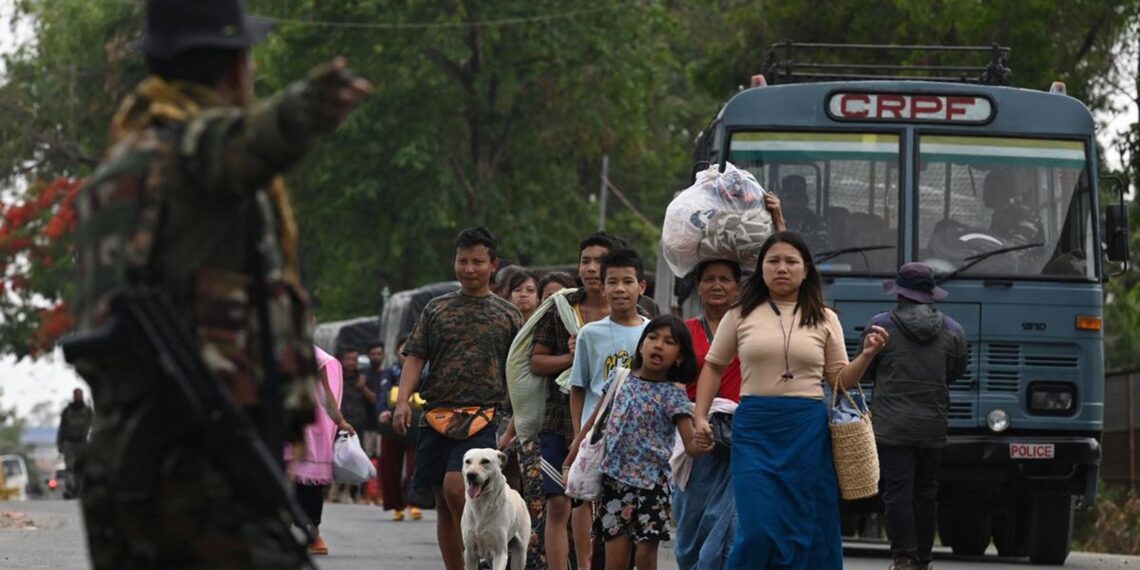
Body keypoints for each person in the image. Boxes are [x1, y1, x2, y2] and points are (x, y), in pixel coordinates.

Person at [67, 0, 371, 567]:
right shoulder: (186, 152)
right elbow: (236, 143)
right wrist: (306, 106)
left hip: (128, 450)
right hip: (194, 457)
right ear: (235, 68)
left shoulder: (116, 170)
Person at [692, 231, 889, 569]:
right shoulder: (739, 314)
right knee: (758, 529)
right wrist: (700, 417)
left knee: (806, 527)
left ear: (806, 269)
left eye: (790, 261)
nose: (781, 268)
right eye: (773, 261)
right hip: (754, 430)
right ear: (761, 269)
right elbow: (712, 366)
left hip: (807, 432)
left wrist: (868, 355)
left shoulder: (827, 318)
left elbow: (840, 380)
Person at [393, 226, 523, 570]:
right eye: (462, 261)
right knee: (441, 497)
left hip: (482, 417)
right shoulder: (436, 309)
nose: (469, 269)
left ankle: (488, 553)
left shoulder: (508, 314)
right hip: (436, 415)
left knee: (456, 488)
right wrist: (403, 401)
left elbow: (521, 368)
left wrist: (521, 413)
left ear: (493, 265)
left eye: (477, 262)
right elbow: (415, 357)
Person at [565, 315, 711, 570]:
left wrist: (704, 441)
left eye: (669, 342)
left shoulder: (674, 395)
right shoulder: (619, 380)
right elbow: (595, 422)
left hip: (652, 486)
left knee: (645, 557)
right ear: (641, 345)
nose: (658, 345)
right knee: (616, 560)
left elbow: (690, 445)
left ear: (679, 357)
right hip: (615, 481)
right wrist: (572, 457)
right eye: (653, 338)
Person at [523, 232, 627, 570]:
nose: (592, 268)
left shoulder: (637, 313)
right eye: (586, 260)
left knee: (608, 505)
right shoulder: (561, 308)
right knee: (559, 503)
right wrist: (574, 358)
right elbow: (537, 362)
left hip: (617, 426)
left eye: (600, 261)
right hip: (560, 420)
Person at [863, 263, 967, 570]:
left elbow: (867, 371)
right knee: (926, 491)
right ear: (930, 294)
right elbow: (955, 373)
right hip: (932, 426)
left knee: (897, 492)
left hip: (891, 427)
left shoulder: (880, 326)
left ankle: (904, 557)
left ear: (899, 293)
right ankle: (924, 558)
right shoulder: (954, 331)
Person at [672, 260, 743, 569]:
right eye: (710, 279)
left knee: (728, 519)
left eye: (725, 279)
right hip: (694, 435)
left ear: (737, 287)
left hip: (737, 434)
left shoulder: (749, 328)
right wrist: (689, 423)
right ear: (698, 287)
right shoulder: (684, 332)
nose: (717, 285)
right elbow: (672, 382)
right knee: (691, 519)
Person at [286, 346, 355, 555]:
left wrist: (341, 422)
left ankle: (310, 536)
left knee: (296, 483)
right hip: (294, 428)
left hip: (303, 430)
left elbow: (327, 397)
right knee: (298, 484)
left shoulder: (315, 357)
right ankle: (310, 536)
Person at [377, 337, 421, 521]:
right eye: (403, 350)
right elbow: (382, 396)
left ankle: (415, 502)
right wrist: (382, 413)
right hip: (392, 425)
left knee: (416, 467)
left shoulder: (425, 371)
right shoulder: (390, 372)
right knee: (391, 466)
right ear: (396, 352)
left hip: (417, 424)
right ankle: (397, 505)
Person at [337, 346, 379, 504]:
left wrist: (364, 388)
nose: (351, 363)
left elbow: (376, 400)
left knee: (355, 457)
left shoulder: (364, 378)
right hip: (339, 422)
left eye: (354, 359)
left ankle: (354, 493)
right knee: (336, 456)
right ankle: (333, 491)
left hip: (359, 424)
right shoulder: (337, 377)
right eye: (348, 359)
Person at [57, 388, 93, 499]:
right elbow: (62, 428)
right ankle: (70, 489)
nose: (78, 397)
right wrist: (60, 443)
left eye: (80, 395)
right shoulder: (67, 411)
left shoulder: (87, 411)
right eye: (77, 395)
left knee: (81, 467)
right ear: (73, 396)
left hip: (82, 442)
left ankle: (79, 489)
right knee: (69, 467)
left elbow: (94, 425)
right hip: (69, 442)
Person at [778, 175, 829, 251]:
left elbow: (823, 245)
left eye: (799, 198)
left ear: (806, 200)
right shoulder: (772, 221)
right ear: (781, 201)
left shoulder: (817, 222)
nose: (794, 202)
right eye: (790, 198)